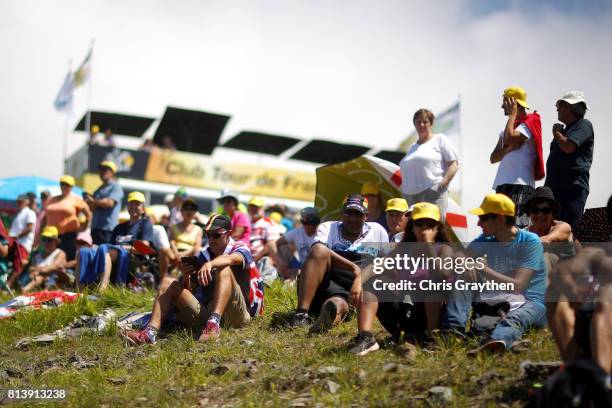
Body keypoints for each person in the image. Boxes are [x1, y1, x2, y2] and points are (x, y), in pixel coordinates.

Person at [122, 214, 264, 345]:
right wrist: (187, 277)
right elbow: (193, 291)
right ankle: (149, 333)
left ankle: (213, 325)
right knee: (167, 282)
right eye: (208, 235)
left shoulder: (240, 247)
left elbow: (231, 259)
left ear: (229, 234)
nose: (211, 240)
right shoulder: (205, 254)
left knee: (224, 268)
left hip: (239, 313)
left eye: (216, 235)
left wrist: (210, 264)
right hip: (208, 311)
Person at [442, 193, 547, 354]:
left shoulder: (530, 241)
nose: (478, 223)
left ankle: (495, 343)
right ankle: (452, 333)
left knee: (514, 319)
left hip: (531, 304)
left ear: (499, 218)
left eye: (483, 218)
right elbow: (460, 255)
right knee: (463, 272)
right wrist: (466, 261)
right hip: (498, 303)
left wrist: (482, 268)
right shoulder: (487, 239)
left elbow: (518, 286)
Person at [350, 202, 454, 355]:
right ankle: (366, 338)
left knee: (433, 284)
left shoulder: (444, 249)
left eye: (430, 224)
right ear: (412, 226)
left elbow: (444, 273)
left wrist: (429, 247)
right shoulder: (405, 248)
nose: (424, 229)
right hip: (406, 309)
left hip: (433, 312)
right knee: (373, 282)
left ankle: (432, 339)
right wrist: (357, 282)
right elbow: (377, 265)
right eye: (419, 223)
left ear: (438, 228)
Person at [290, 194, 389, 334]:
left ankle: (330, 316)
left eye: (358, 214)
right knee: (319, 250)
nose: (353, 218)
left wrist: (360, 280)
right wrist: (353, 267)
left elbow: (385, 261)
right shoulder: (328, 227)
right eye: (349, 213)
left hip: (357, 284)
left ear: (366, 216)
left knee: (336, 303)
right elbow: (318, 250)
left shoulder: (377, 230)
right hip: (328, 277)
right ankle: (301, 315)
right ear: (342, 214)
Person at [546, 195, 612, 382]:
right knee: (555, 292)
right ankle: (576, 371)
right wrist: (569, 286)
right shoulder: (598, 253)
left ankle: (601, 380)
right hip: (587, 328)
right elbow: (563, 270)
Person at [76, 191, 154, 291]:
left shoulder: (145, 224)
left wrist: (124, 247)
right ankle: (79, 290)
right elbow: (111, 244)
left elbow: (144, 247)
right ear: (127, 206)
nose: (134, 206)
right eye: (131, 204)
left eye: (137, 204)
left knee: (105, 250)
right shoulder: (119, 227)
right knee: (83, 251)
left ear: (143, 209)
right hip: (114, 253)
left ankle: (102, 289)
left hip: (133, 257)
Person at [490, 86, 544, 228]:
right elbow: (493, 157)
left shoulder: (531, 120)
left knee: (518, 226)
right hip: (503, 184)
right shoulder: (510, 125)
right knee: (501, 226)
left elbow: (509, 138)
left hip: (520, 184)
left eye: (505, 102)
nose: (502, 106)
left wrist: (512, 116)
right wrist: (509, 149)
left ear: (514, 103)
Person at [545, 91, 594, 229]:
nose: (557, 109)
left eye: (560, 105)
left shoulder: (584, 124)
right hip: (556, 189)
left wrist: (556, 133)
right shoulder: (567, 130)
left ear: (568, 106)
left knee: (567, 230)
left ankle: (578, 251)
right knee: (553, 230)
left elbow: (568, 147)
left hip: (571, 189)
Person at [399, 108, 459, 219]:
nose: (421, 124)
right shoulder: (413, 147)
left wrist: (441, 185)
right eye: (418, 122)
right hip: (410, 197)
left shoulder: (440, 139)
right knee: (414, 233)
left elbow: (454, 164)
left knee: (433, 229)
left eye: (425, 121)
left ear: (431, 123)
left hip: (432, 193)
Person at [41, 175, 91, 262]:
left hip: (68, 236)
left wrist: (84, 228)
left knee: (66, 260)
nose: (64, 186)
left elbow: (88, 214)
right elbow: (45, 217)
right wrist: (40, 233)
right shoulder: (52, 199)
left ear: (72, 187)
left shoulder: (76, 199)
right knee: (49, 260)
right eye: (62, 184)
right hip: (51, 236)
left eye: (67, 185)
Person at [525, 186, 574, 271]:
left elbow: (547, 240)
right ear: (530, 213)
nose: (540, 215)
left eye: (545, 210)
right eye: (535, 210)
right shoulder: (525, 232)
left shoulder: (563, 227)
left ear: (553, 213)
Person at [275, 207, 321, 282]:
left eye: (312, 223)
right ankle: (286, 273)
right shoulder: (297, 232)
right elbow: (276, 243)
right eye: (307, 223)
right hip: (300, 266)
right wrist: (279, 261)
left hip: (316, 268)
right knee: (282, 247)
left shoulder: (322, 233)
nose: (309, 226)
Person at [86, 161, 124, 245]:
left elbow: (109, 203)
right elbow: (91, 208)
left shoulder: (116, 187)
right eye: (101, 169)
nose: (102, 172)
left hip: (107, 230)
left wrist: (93, 201)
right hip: (96, 228)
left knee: (105, 254)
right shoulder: (98, 189)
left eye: (105, 169)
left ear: (112, 173)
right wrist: (89, 202)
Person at [21, 226, 68, 293]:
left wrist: (38, 270)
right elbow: (31, 268)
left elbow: (55, 267)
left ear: (56, 241)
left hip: (53, 285)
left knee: (42, 276)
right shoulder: (37, 255)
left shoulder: (60, 253)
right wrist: (43, 270)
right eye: (44, 239)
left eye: (50, 240)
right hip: (37, 283)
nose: (46, 242)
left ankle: (25, 290)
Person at [168, 198, 203, 270]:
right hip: (174, 255)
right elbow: (172, 241)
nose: (189, 211)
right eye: (186, 208)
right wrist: (176, 253)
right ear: (181, 211)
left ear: (195, 212)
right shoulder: (173, 226)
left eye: (192, 209)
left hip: (190, 255)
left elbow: (197, 246)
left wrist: (183, 255)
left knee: (199, 250)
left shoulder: (198, 229)